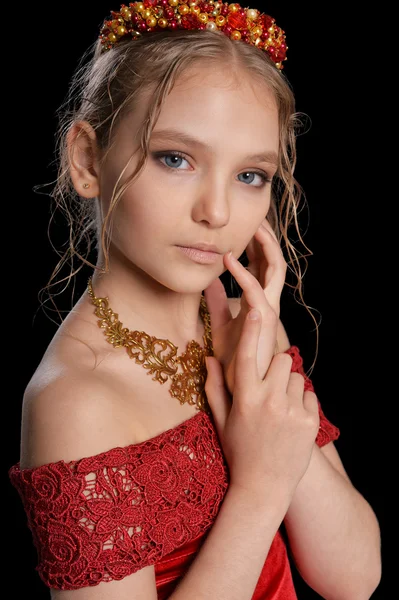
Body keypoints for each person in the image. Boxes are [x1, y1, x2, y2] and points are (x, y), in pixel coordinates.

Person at [8, 2, 382, 599]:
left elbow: (354, 577)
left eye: (250, 175)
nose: (217, 212)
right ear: (86, 160)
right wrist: (260, 488)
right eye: (175, 159)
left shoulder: (243, 330)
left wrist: (261, 375)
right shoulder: (79, 398)